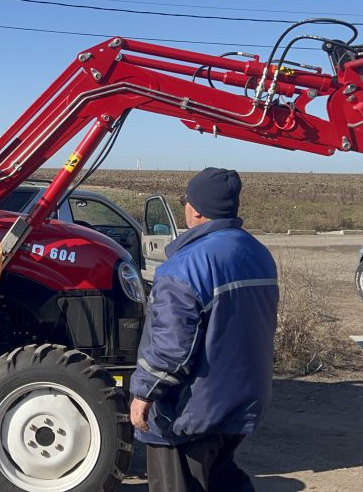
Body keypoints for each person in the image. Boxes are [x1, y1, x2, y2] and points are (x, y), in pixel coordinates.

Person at [129, 167, 279, 492]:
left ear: (195, 209)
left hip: (190, 411)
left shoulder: (185, 266)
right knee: (222, 478)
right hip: (242, 401)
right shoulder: (258, 254)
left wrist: (144, 393)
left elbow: (170, 346)